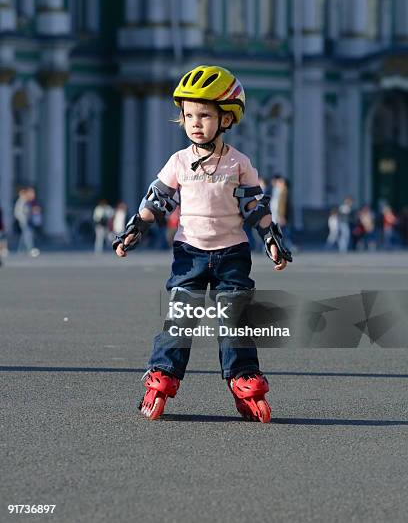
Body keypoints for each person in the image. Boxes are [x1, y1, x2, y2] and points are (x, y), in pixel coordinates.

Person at [113, 65, 292, 423]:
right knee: (180, 320)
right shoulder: (178, 161)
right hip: (189, 254)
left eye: (205, 115)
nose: (195, 122)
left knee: (235, 323)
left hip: (233, 255)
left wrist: (271, 238)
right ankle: (162, 375)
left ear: (227, 119)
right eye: (189, 115)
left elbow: (255, 205)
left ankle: (243, 378)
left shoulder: (239, 163)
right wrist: (135, 229)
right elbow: (157, 199)